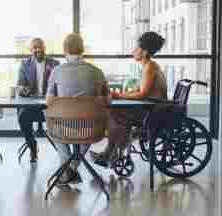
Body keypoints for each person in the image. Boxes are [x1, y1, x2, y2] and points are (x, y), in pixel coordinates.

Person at [92, 31, 167, 166]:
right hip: (151, 107)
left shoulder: (149, 67)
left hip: (153, 111)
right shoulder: (148, 66)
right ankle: (113, 151)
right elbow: (137, 90)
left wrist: (119, 95)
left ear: (144, 52)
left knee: (114, 113)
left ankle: (112, 152)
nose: (133, 51)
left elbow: (142, 94)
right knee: (115, 111)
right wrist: (119, 94)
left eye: (136, 48)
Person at [46, 33, 110, 185]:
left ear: (65, 49)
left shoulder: (57, 71)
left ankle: (67, 165)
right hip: (91, 129)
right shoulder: (97, 71)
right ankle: (72, 166)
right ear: (82, 49)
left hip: (62, 128)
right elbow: (108, 100)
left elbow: (49, 101)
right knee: (90, 122)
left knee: (51, 120)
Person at [17, 38, 60, 162]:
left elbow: (59, 85)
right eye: (35, 48)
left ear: (45, 47)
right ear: (31, 50)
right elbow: (20, 84)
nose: (38, 50)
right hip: (31, 105)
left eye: (40, 47)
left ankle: (63, 151)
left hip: (50, 105)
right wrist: (23, 89)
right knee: (22, 117)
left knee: (62, 116)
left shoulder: (55, 63)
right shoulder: (25, 64)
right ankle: (32, 147)